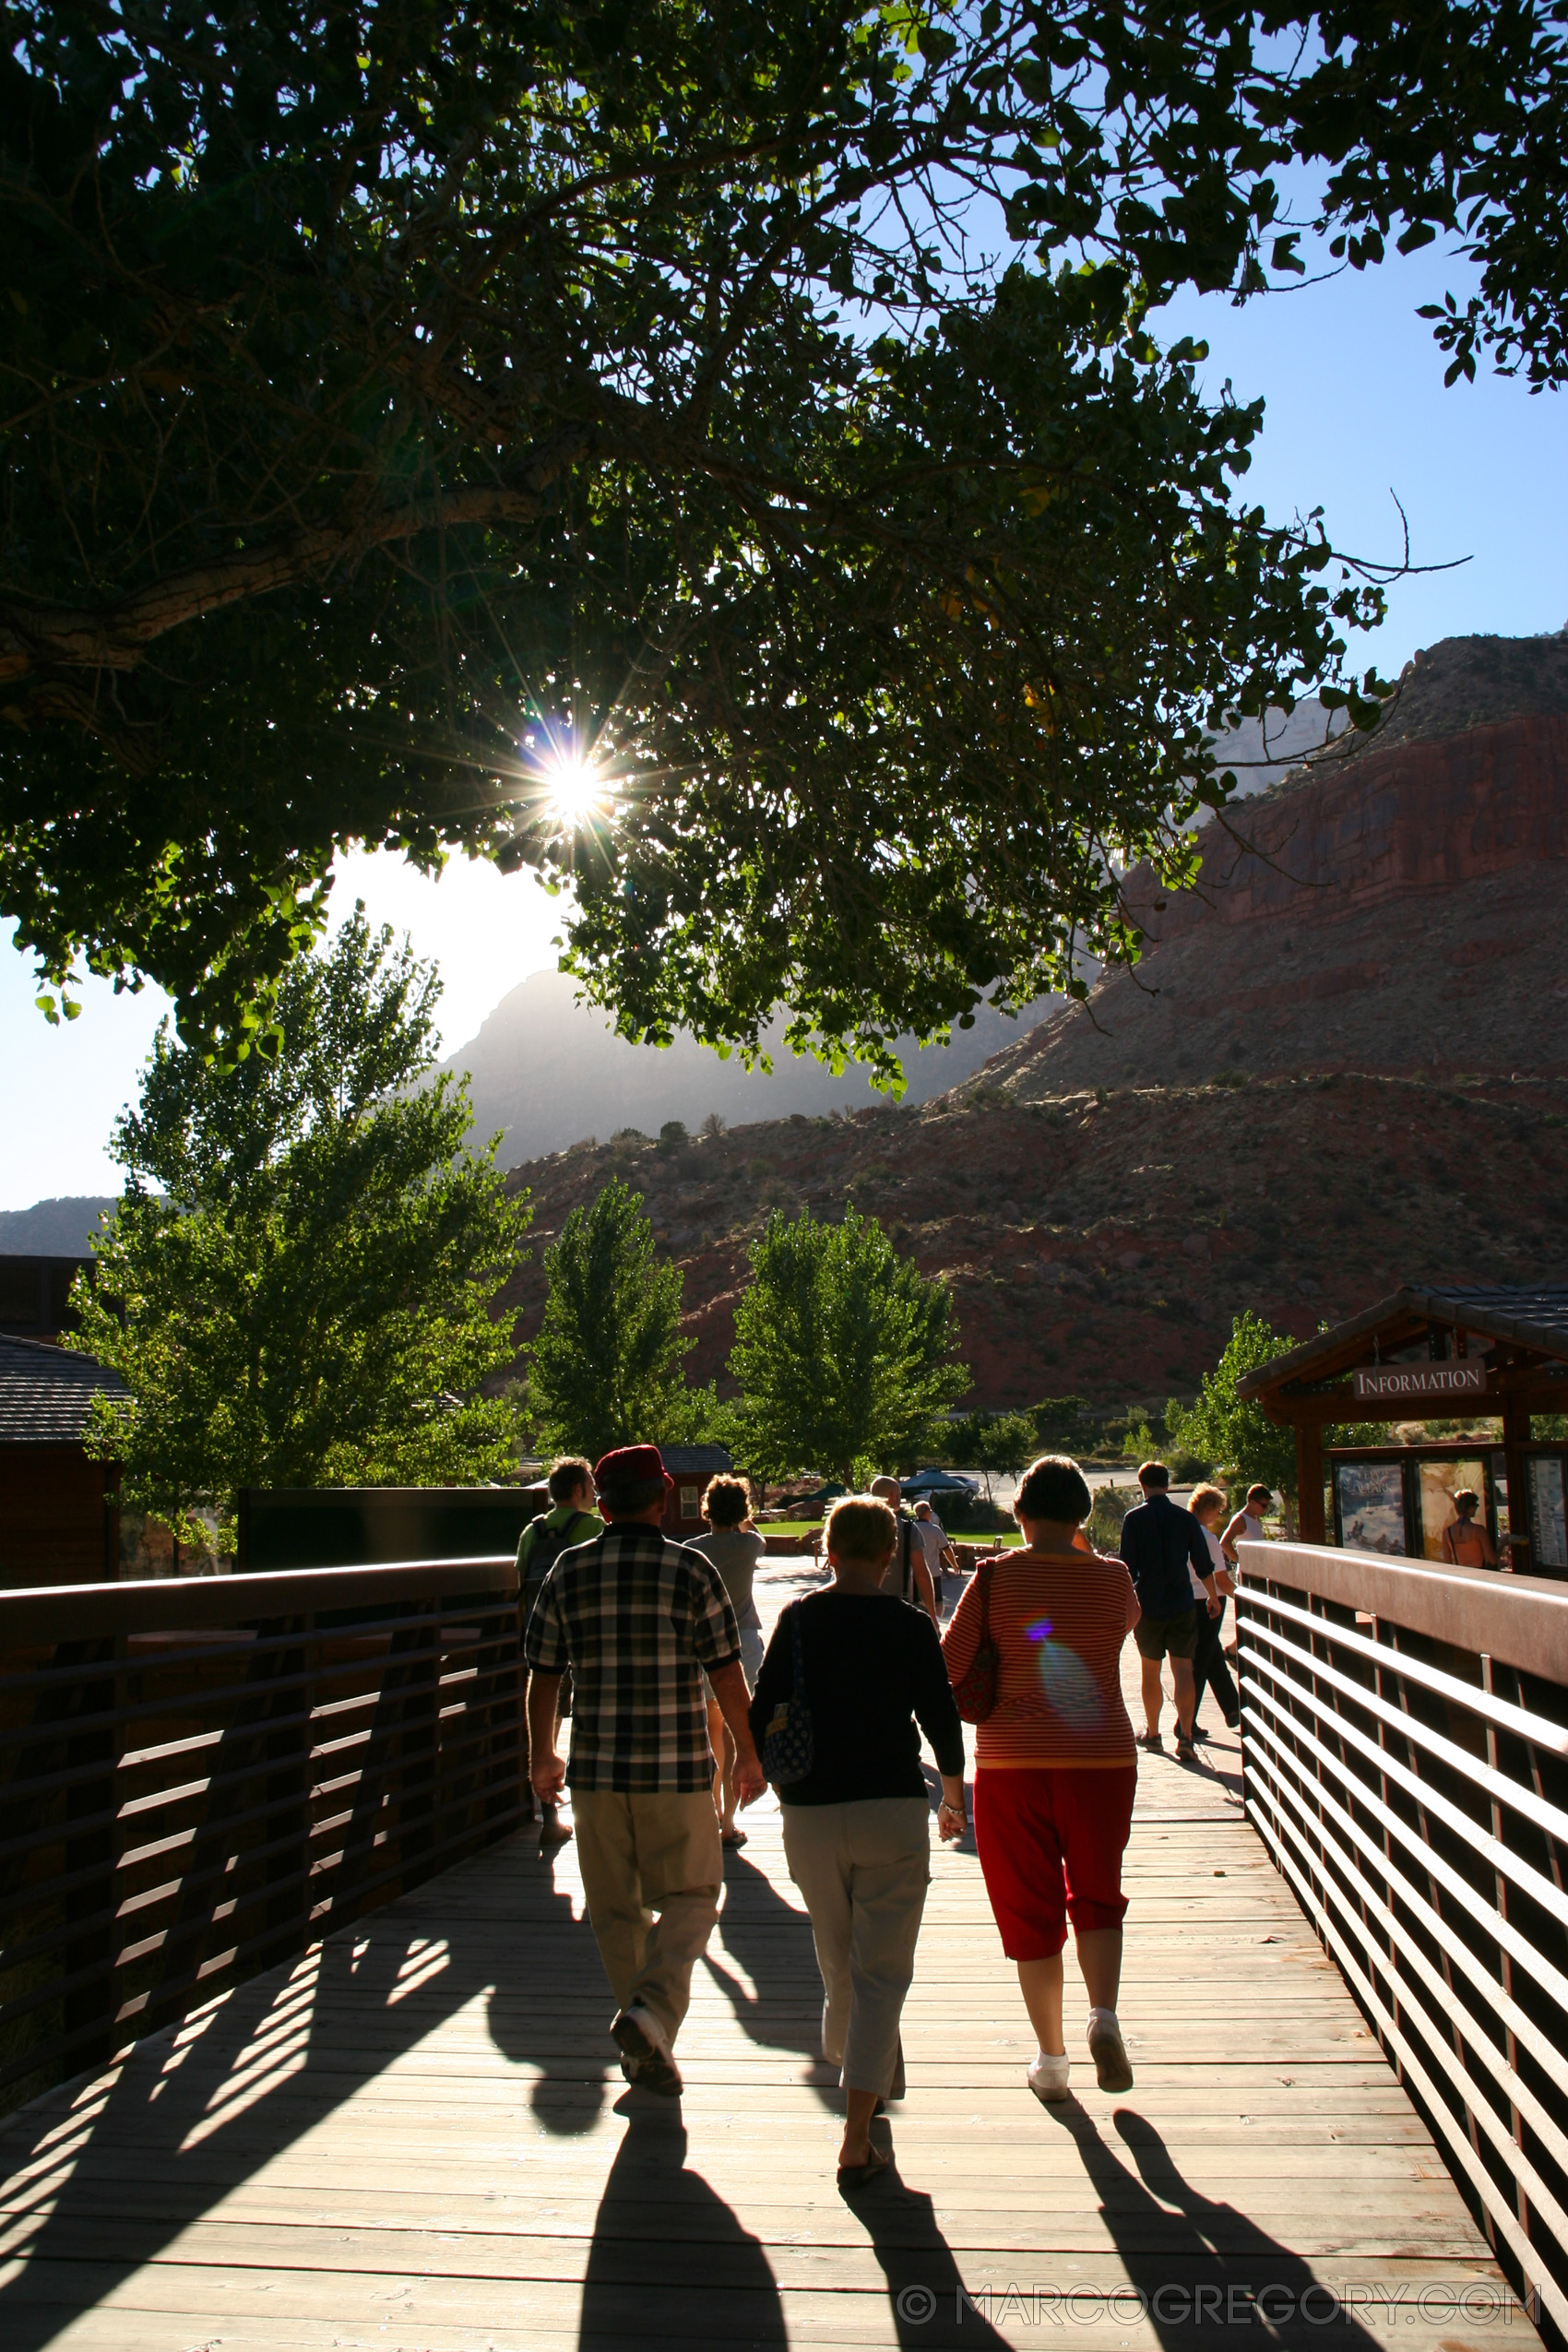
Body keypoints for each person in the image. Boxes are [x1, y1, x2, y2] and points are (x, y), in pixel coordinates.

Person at [526, 1443, 766, 2098]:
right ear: (663, 1500)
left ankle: (645, 2044)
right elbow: (725, 1673)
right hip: (679, 1768)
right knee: (693, 1896)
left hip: (598, 1772)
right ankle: (652, 2016)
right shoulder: (689, 1570)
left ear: (600, 1504)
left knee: (616, 1913)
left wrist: (541, 1753)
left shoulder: (568, 1572)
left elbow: (543, 1676)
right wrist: (746, 1751)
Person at [749, 1494, 967, 2192]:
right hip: (891, 1808)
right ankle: (856, 2129)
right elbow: (940, 1713)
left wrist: (748, 1776)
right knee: (881, 1973)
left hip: (810, 1812)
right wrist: (955, 1796)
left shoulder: (800, 1619)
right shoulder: (908, 1623)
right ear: (891, 1556)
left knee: (840, 1965)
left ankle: (865, 2098)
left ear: (830, 1552)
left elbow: (761, 1708)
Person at [943, 1455, 1141, 2103]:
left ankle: (1051, 2061)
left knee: (1030, 1906)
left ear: (1019, 1513)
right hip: (1103, 1760)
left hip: (1013, 1762)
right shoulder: (1115, 1582)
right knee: (1097, 1891)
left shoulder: (996, 1578)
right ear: (1083, 1514)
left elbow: (949, 1665)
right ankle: (1104, 2017)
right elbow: (1118, 1630)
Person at [517, 1456, 600, 1843]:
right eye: (591, 1484)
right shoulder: (592, 1528)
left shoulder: (531, 1532)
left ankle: (548, 1810)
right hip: (586, 1639)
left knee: (547, 1712)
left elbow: (521, 1584)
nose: (595, 1492)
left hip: (541, 1639)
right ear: (578, 1490)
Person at [1117, 1460, 1217, 1762]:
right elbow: (1202, 1564)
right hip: (1182, 1603)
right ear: (1168, 1484)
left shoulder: (1134, 1519)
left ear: (1142, 1485)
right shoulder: (1185, 1519)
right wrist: (1213, 1597)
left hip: (1148, 1605)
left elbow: (1127, 1569)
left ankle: (1154, 1733)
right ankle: (1186, 1736)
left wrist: (1125, 1606)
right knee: (1184, 1669)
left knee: (1151, 1669)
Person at [689, 1474, 767, 1847]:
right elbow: (754, 1532)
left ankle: (709, 1810)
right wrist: (742, 1517)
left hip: (703, 1647)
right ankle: (728, 1821)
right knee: (739, 1730)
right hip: (743, 1646)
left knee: (710, 1732)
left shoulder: (692, 1549)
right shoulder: (750, 1544)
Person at [1186, 1484, 1241, 1740]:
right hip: (1211, 1601)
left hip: (1188, 1601)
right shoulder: (1207, 1538)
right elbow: (1221, 1578)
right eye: (1218, 1511)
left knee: (1210, 1654)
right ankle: (1185, 1722)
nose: (1218, 1516)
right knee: (1202, 1660)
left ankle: (1233, 1708)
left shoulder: (1182, 1531)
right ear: (1207, 1508)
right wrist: (1241, 1595)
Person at [869, 1476, 940, 1626]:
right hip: (896, 1608)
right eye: (899, 1495)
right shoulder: (907, 1530)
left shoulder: (855, 1527)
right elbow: (922, 1574)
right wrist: (933, 1617)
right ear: (892, 1496)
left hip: (861, 1605)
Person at [913, 1500, 961, 1611]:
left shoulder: (912, 1529)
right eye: (930, 1511)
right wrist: (954, 1564)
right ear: (927, 1513)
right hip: (933, 1573)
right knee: (937, 1603)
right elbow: (946, 1549)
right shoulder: (934, 1530)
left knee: (918, 1602)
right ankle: (935, 1624)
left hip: (915, 1573)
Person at [1441, 1489, 1499, 1568]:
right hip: (1479, 1575)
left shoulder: (1447, 1532)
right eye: (1476, 1505)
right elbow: (1492, 1559)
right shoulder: (1478, 1530)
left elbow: (1447, 1562)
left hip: (1462, 1576)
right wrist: (1504, 1543)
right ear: (1470, 1507)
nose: (1476, 1508)